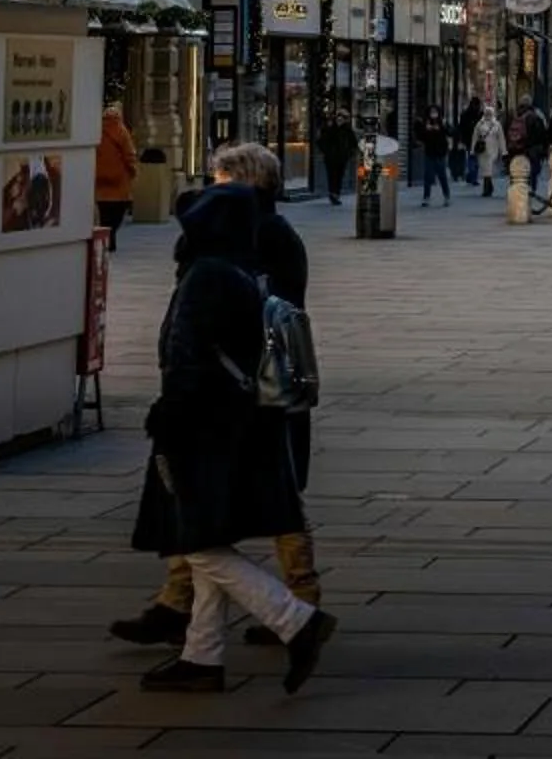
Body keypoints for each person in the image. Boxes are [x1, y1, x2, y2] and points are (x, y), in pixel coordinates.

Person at [121, 176, 336, 693]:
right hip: (238, 420)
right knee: (206, 535)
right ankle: (202, 654)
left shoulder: (207, 277)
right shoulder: (242, 271)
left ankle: (295, 620)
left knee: (196, 542)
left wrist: (169, 417)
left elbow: (186, 355)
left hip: (203, 426)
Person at [96, 100, 139, 248]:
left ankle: (108, 239)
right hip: (119, 180)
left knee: (104, 212)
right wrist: (133, 170)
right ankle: (111, 236)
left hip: (100, 180)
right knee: (118, 211)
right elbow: (129, 154)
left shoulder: (97, 130)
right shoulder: (121, 131)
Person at [317, 115, 356, 206]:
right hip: (331, 158)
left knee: (339, 176)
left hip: (342, 158)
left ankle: (336, 194)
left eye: (341, 120)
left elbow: (353, 143)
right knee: (332, 176)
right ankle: (332, 194)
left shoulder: (347, 130)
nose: (339, 121)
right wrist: (327, 152)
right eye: (338, 120)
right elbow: (321, 142)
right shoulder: (330, 130)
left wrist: (349, 154)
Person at [415, 110, 452, 206]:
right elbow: (420, 136)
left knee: (442, 176)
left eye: (435, 112)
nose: (433, 114)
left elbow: (451, 132)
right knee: (427, 176)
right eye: (432, 112)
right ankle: (426, 197)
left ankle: (446, 196)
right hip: (429, 153)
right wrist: (426, 129)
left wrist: (442, 127)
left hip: (440, 153)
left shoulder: (442, 122)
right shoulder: (426, 123)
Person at [471, 103, 507, 196]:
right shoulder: (480, 124)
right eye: (486, 113)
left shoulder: (497, 124)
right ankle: (489, 187)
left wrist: (503, 151)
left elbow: (501, 138)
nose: (488, 114)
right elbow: (475, 136)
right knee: (485, 169)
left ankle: (487, 188)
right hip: (482, 149)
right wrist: (472, 149)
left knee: (489, 168)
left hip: (493, 149)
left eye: (489, 113)